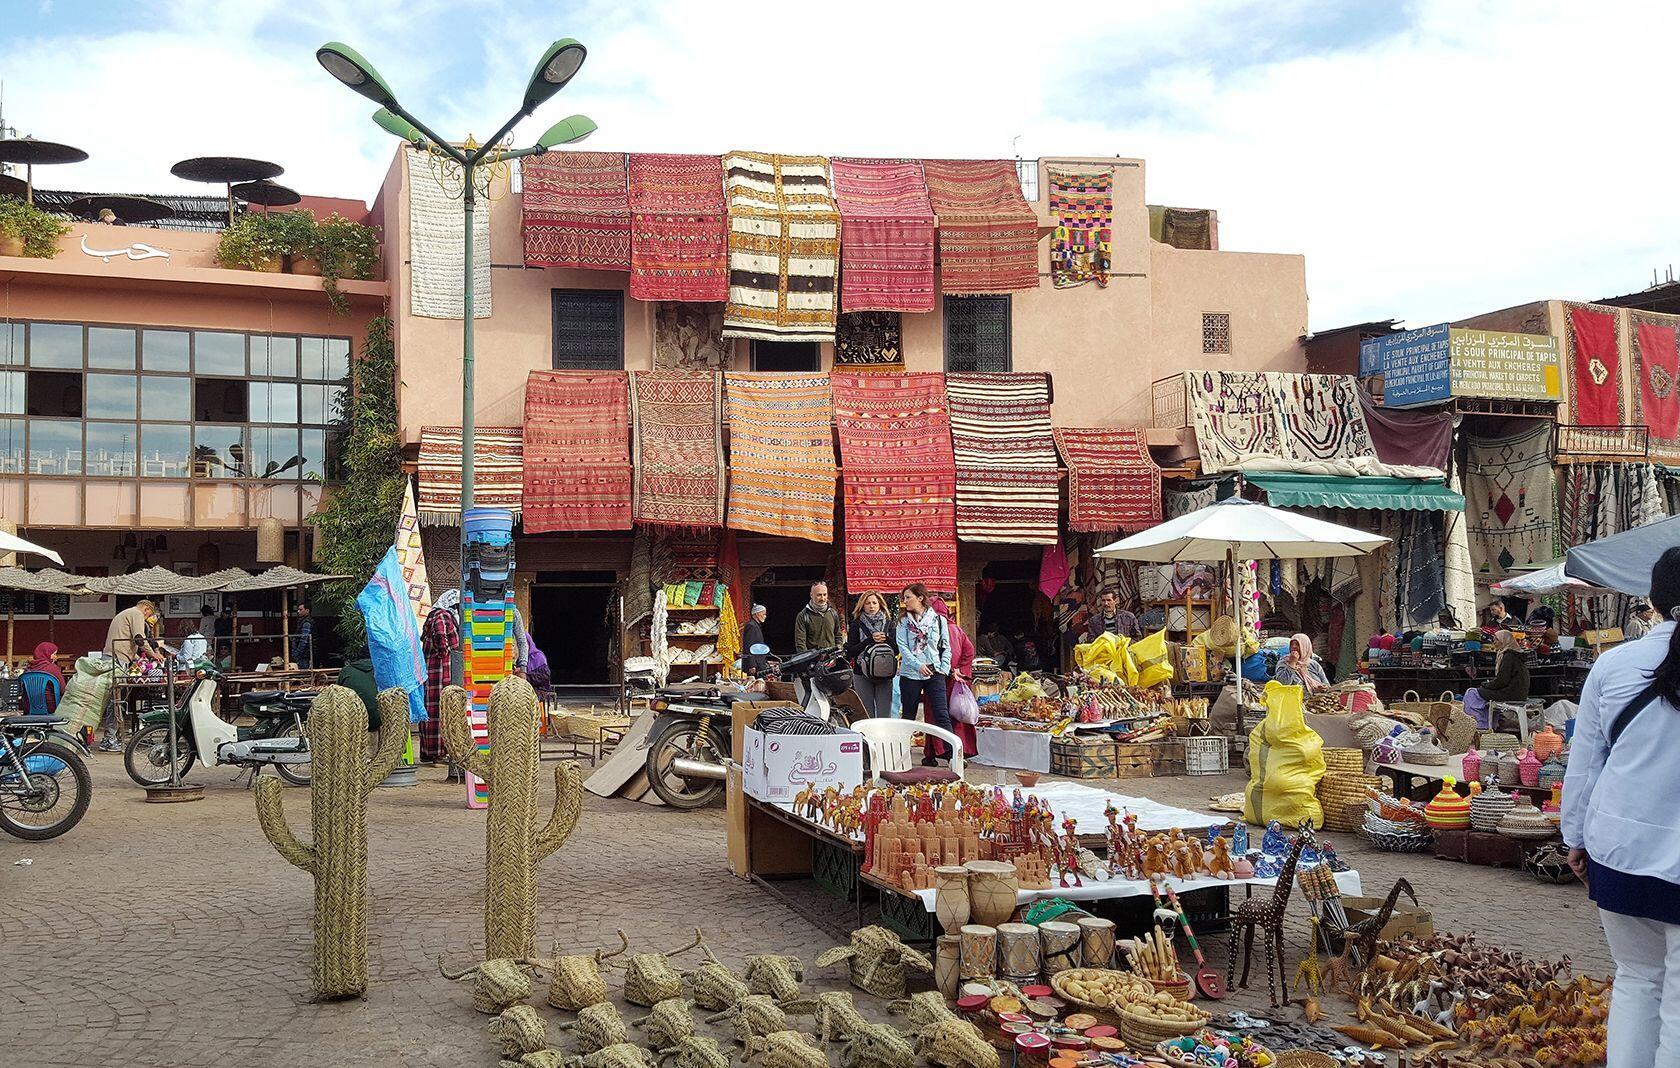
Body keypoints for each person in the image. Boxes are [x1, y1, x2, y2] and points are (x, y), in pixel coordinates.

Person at [1562, 545, 1680, 1068]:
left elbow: (1584, 765)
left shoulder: (1614, 664)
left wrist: (1575, 840)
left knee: (1636, 981)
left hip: (1619, 849)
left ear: (1653, 599)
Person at [896, 584, 952, 765]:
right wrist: (918, 665)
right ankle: (901, 757)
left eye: (908, 597)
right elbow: (903, 648)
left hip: (934, 672)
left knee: (941, 713)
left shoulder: (938, 620)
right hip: (911, 673)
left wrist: (943, 668)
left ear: (920, 598)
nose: (905, 602)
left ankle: (952, 755)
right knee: (909, 716)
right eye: (904, 598)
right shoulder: (903, 622)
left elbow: (945, 646)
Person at [100, 599, 160, 751]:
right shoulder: (137, 614)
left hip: (113, 657)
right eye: (148, 615)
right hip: (117, 660)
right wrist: (154, 654)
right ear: (147, 609)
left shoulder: (124, 613)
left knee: (113, 700)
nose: (147, 619)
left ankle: (111, 737)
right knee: (116, 701)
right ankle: (109, 740)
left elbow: (126, 644)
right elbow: (139, 638)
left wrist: (139, 659)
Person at [420, 589, 462, 765]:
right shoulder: (442, 615)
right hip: (438, 670)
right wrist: (445, 653)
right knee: (438, 709)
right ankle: (435, 752)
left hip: (434, 669)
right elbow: (440, 635)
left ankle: (431, 751)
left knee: (434, 709)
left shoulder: (436, 614)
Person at [933, 597, 977, 759]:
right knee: (958, 713)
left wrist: (950, 670)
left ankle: (941, 750)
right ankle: (962, 748)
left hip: (940, 679)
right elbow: (969, 651)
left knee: (939, 715)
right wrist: (961, 670)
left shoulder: (937, 628)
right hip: (956, 678)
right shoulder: (957, 629)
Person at [1463, 629, 1530, 729]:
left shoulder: (1509, 656)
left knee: (1471, 693)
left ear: (1504, 641)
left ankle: (1478, 725)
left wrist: (1486, 684)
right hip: (1516, 692)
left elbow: (1502, 681)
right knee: (1479, 693)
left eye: (1497, 640)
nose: (1494, 642)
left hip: (1510, 693)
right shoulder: (1512, 655)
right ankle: (1491, 723)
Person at [846, 592, 898, 717]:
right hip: (862, 674)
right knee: (867, 715)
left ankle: (884, 737)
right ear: (862, 605)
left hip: (885, 674)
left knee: (884, 715)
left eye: (874, 603)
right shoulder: (856, 625)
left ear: (880, 604)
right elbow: (851, 651)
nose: (871, 606)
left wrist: (886, 639)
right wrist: (869, 640)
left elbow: (896, 650)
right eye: (868, 603)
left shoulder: (889, 624)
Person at [794, 581, 843, 654]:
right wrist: (806, 659)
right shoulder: (803, 616)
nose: (822, 598)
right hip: (813, 660)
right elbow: (800, 644)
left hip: (832, 658)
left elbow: (838, 635)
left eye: (824, 595)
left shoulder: (833, 613)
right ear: (811, 595)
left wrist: (839, 650)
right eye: (819, 595)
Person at [18, 642, 64, 717]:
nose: (56, 657)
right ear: (47, 654)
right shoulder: (53, 668)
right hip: (51, 709)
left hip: (28, 708)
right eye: (54, 654)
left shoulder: (28, 669)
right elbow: (63, 691)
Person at [742, 604, 770, 676]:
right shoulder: (751, 626)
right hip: (755, 665)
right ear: (757, 614)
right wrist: (751, 665)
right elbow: (749, 646)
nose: (765, 616)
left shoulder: (756, 626)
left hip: (759, 663)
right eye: (763, 614)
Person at [293, 603, 314, 669]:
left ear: (307, 610)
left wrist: (298, 652)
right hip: (304, 653)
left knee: (304, 672)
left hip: (304, 654)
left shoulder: (306, 623)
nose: (298, 611)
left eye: (300, 609)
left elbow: (304, 639)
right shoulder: (302, 621)